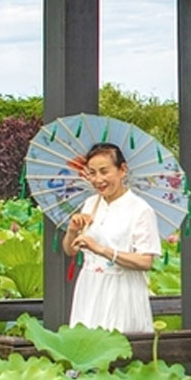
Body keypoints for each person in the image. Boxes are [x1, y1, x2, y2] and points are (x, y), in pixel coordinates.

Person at [63, 142, 161, 334]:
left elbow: (145, 261)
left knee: (118, 348)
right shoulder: (90, 204)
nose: (98, 179)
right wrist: (72, 231)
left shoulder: (140, 210)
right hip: (89, 286)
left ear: (122, 170)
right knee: (85, 348)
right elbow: (70, 250)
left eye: (104, 171)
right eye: (92, 172)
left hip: (121, 289)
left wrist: (101, 249)